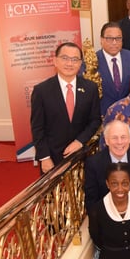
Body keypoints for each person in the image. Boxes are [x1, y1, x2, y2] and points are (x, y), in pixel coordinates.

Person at [30, 42, 101, 174]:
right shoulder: (41, 91)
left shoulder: (91, 88)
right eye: (65, 58)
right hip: (52, 157)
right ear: (55, 61)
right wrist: (44, 158)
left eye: (75, 60)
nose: (70, 63)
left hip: (81, 154)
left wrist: (79, 142)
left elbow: (95, 120)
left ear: (81, 64)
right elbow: (37, 128)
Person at [84, 120, 130, 211]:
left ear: (129, 139)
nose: (119, 142)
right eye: (114, 138)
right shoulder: (94, 163)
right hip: (107, 216)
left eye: (123, 137)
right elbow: (91, 201)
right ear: (106, 140)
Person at [95, 22, 130, 116]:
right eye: (109, 38)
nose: (114, 42)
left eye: (118, 38)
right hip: (102, 116)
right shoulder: (92, 62)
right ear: (101, 40)